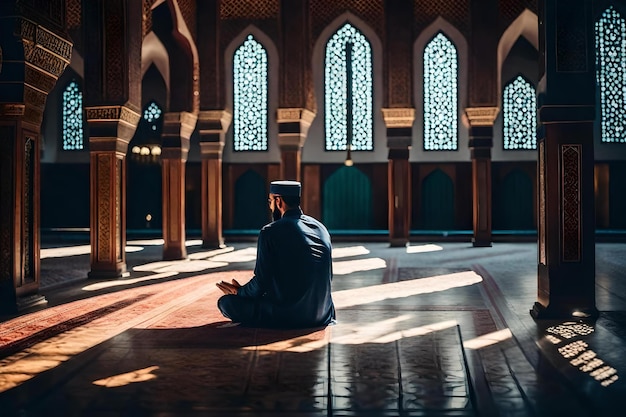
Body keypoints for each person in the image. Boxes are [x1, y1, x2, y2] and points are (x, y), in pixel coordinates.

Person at [216, 180, 336, 328]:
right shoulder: (321, 227)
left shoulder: (270, 231)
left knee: (226, 303)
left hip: (289, 315)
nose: (270, 206)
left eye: (270, 201)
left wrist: (240, 292)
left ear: (278, 201)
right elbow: (328, 275)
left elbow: (262, 281)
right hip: (323, 314)